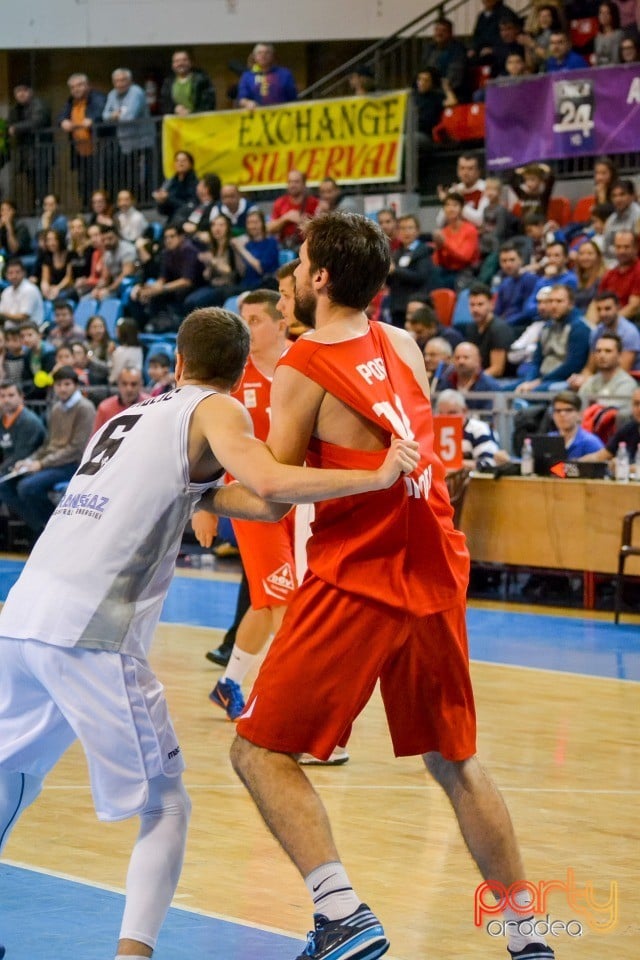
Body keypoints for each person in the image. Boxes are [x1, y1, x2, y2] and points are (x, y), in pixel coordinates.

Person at [0, 307, 417, 960]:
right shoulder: (218, 410)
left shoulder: (126, 417)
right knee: (166, 808)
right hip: (91, 628)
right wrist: (375, 475)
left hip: (21, 618)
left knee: (9, 779)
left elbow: (255, 502)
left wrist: (205, 498)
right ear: (237, 367)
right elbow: (273, 483)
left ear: (180, 360)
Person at [217, 212, 555, 960]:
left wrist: (199, 492)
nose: (294, 277)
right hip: (435, 568)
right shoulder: (401, 342)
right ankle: (529, 937)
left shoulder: (303, 363)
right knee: (456, 760)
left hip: (359, 577)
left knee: (257, 752)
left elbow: (274, 493)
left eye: (301, 264)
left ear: (323, 278)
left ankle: (341, 913)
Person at [0, 366, 94, 538]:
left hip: (73, 464)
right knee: (6, 485)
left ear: (75, 386)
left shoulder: (85, 408)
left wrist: (41, 463)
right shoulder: (56, 408)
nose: (62, 388)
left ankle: (55, 530)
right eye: (59, 384)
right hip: (52, 463)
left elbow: (76, 449)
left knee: (26, 487)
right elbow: (48, 444)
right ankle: (40, 527)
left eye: (67, 384)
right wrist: (29, 461)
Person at [516, 284, 591, 392]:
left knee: (533, 392)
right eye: (550, 301)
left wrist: (539, 382)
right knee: (503, 391)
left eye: (559, 301)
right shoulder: (546, 327)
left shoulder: (579, 328)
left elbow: (572, 366)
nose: (554, 306)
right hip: (542, 378)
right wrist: (529, 381)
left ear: (570, 304)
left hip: (563, 380)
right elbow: (537, 361)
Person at [57, 74, 107, 208]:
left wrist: (92, 119)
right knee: (82, 182)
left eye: (79, 85)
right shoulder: (71, 101)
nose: (76, 89)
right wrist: (63, 121)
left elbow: (101, 111)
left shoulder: (97, 97)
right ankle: (86, 208)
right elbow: (61, 115)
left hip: (98, 149)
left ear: (87, 85)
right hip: (79, 151)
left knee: (98, 183)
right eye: (72, 87)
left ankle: (100, 210)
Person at [436, 389, 509, 468]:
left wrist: (451, 465)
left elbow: (488, 463)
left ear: (464, 411)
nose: (446, 418)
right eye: (441, 414)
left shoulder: (479, 429)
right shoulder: (434, 431)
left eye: (452, 413)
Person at [386, 214, 436, 328]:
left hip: (415, 303)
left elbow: (421, 276)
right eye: (402, 228)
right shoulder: (397, 253)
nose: (406, 232)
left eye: (410, 228)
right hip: (396, 305)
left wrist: (396, 271)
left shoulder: (423, 251)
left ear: (417, 231)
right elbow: (390, 282)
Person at [576, 333, 638, 416]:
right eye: (598, 351)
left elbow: (608, 413)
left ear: (619, 356)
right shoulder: (591, 381)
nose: (602, 355)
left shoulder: (627, 384)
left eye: (608, 351)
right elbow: (578, 406)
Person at [463, 283, 515, 378]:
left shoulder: (499, 329)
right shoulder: (471, 327)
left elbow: (497, 369)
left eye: (480, 304)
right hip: (480, 377)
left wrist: (472, 380)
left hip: (501, 382)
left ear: (491, 305)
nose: (475, 309)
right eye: (472, 305)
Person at [0, 380, 46, 477]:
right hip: (7, 468)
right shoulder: (2, 418)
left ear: (21, 397)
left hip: (27, 469)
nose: (6, 400)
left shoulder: (28, 421)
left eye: (11, 395)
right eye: (2, 396)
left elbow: (20, 455)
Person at [581, 387, 640, 462]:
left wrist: (624, 466)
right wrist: (573, 464)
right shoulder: (628, 429)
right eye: (636, 404)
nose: (639, 409)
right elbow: (600, 456)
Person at [267, 169, 319, 251]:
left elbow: (320, 231)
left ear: (304, 184)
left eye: (296, 182)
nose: (292, 185)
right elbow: (269, 229)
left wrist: (303, 221)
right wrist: (285, 218)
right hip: (284, 249)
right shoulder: (280, 202)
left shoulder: (314, 203)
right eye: (290, 182)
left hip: (308, 248)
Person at [237, 43, 298, 108]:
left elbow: (293, 99)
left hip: (282, 116)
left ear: (272, 56)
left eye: (267, 53)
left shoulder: (285, 74)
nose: (263, 55)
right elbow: (242, 98)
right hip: (256, 116)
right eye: (259, 53)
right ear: (254, 56)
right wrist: (247, 103)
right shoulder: (247, 76)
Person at [547, 390, 604, 457]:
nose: (562, 414)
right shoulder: (547, 440)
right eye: (558, 411)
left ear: (579, 415)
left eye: (569, 410)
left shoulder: (591, 443)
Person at [159, 50, 216, 115]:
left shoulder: (202, 80)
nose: (181, 63)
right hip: (177, 123)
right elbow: (164, 103)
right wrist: (174, 108)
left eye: (184, 60)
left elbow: (209, 104)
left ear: (190, 62)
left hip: (198, 122)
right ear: (173, 65)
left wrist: (190, 113)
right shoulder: (168, 82)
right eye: (177, 61)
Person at [598, 231, 640, 319]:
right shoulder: (610, 273)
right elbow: (597, 301)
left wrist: (610, 322)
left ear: (635, 248)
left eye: (626, 247)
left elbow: (633, 308)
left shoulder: (638, 271)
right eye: (618, 247)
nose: (622, 251)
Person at [93, 366, 148, 432]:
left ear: (141, 384)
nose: (129, 389)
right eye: (124, 384)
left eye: (134, 384)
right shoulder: (104, 408)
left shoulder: (151, 405)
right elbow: (94, 439)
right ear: (118, 384)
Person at [0, 258, 44, 328]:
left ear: (24, 273)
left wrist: (3, 315)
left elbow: (23, 317)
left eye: (17, 272)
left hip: (29, 331)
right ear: (6, 275)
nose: (14, 276)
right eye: (10, 273)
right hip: (9, 332)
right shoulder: (6, 292)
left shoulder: (30, 289)